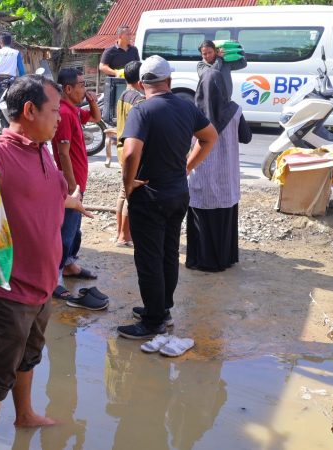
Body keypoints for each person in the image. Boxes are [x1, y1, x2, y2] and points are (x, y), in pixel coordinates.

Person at [0, 75, 90, 450]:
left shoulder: (42, 150)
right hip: (6, 289)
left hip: (40, 284)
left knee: (30, 356)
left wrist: (70, 201)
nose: (59, 118)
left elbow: (44, 195)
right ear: (29, 110)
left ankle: (25, 414)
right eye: (53, 111)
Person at [117, 55, 218, 339]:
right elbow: (210, 137)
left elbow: (129, 152)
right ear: (169, 81)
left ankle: (153, 322)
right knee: (168, 253)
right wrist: (187, 166)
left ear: (140, 83)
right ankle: (162, 309)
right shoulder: (186, 107)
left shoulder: (142, 110)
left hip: (150, 195)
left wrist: (128, 185)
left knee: (149, 258)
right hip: (177, 193)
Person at [49, 68, 107, 310]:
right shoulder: (63, 113)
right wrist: (73, 190)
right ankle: (52, 278)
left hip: (78, 183)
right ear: (68, 89)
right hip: (70, 186)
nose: (85, 89)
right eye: (81, 85)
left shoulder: (73, 111)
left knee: (74, 231)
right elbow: (62, 153)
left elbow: (95, 118)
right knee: (65, 233)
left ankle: (70, 266)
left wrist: (93, 102)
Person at [187, 48, 250, 272]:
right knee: (224, 217)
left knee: (201, 218)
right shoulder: (234, 110)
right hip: (226, 175)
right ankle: (225, 259)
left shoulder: (194, 114)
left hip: (201, 173)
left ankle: (201, 260)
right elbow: (247, 137)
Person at [114, 60, 145, 248]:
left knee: (123, 192)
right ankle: (124, 237)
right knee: (130, 193)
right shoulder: (138, 100)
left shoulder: (123, 95)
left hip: (121, 150)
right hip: (131, 151)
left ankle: (119, 232)